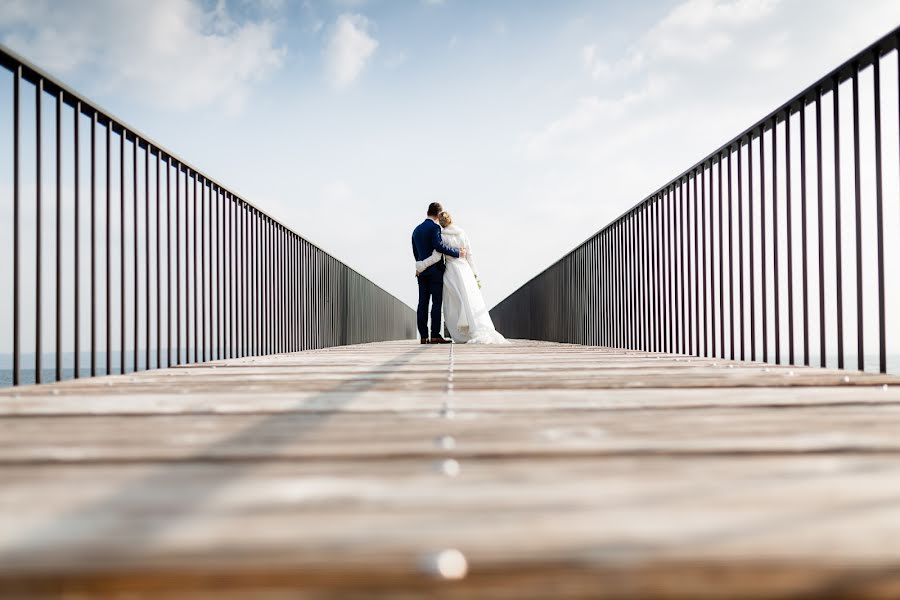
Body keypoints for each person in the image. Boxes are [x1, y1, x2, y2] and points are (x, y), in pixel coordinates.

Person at [416, 211, 508, 344]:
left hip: (451, 272)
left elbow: (436, 257)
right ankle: (475, 327)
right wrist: (475, 274)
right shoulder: (462, 233)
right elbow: (469, 255)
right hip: (465, 271)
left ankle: (461, 333)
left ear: (440, 223)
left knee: (454, 304)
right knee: (470, 300)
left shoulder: (441, 235)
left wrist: (420, 266)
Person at [411, 202, 467, 344]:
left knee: (422, 302)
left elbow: (416, 252)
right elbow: (438, 245)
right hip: (435, 271)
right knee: (436, 303)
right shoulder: (435, 228)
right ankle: (435, 335)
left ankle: (423, 336)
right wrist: (457, 253)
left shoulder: (416, 230)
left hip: (422, 272)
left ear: (427, 212)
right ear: (438, 214)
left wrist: (420, 266)